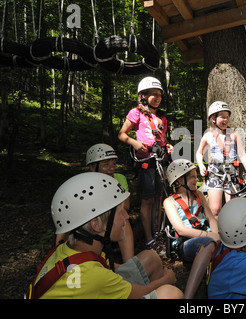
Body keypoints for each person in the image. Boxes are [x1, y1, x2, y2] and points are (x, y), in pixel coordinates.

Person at [27, 172, 183, 299]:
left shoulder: (67, 249)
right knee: (171, 294)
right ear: (96, 225)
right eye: (120, 211)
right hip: (98, 284)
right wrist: (167, 279)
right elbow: (141, 292)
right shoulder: (95, 276)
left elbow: (103, 264)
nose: (127, 217)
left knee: (151, 257)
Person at [118, 76, 173, 249]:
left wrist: (168, 146)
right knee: (148, 200)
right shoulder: (136, 113)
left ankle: (158, 234)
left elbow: (161, 139)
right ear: (143, 96)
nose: (157, 98)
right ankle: (149, 238)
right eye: (153, 94)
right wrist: (135, 143)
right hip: (146, 162)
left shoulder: (161, 117)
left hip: (160, 160)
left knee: (158, 198)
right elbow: (122, 134)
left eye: (159, 95)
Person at [55, 143, 134, 262]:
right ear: (92, 167)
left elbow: (126, 206)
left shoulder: (119, 178)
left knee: (125, 222)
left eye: (113, 164)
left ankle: (130, 264)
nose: (111, 168)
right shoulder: (84, 183)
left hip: (107, 221)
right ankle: (59, 254)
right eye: (106, 165)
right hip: (87, 224)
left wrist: (114, 185)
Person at [163, 159, 219, 299]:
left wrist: (217, 235)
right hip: (185, 243)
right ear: (180, 180)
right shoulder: (169, 202)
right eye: (193, 176)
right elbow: (181, 230)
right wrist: (210, 236)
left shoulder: (199, 195)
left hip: (206, 236)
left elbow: (211, 218)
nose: (197, 179)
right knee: (208, 244)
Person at [196, 101, 246, 218]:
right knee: (215, 209)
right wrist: (201, 165)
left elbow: (242, 154)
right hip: (214, 173)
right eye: (222, 117)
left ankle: (232, 234)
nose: (225, 120)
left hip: (231, 172)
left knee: (232, 208)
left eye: (227, 117)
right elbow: (199, 152)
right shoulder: (208, 135)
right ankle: (216, 235)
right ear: (213, 118)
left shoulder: (234, 134)